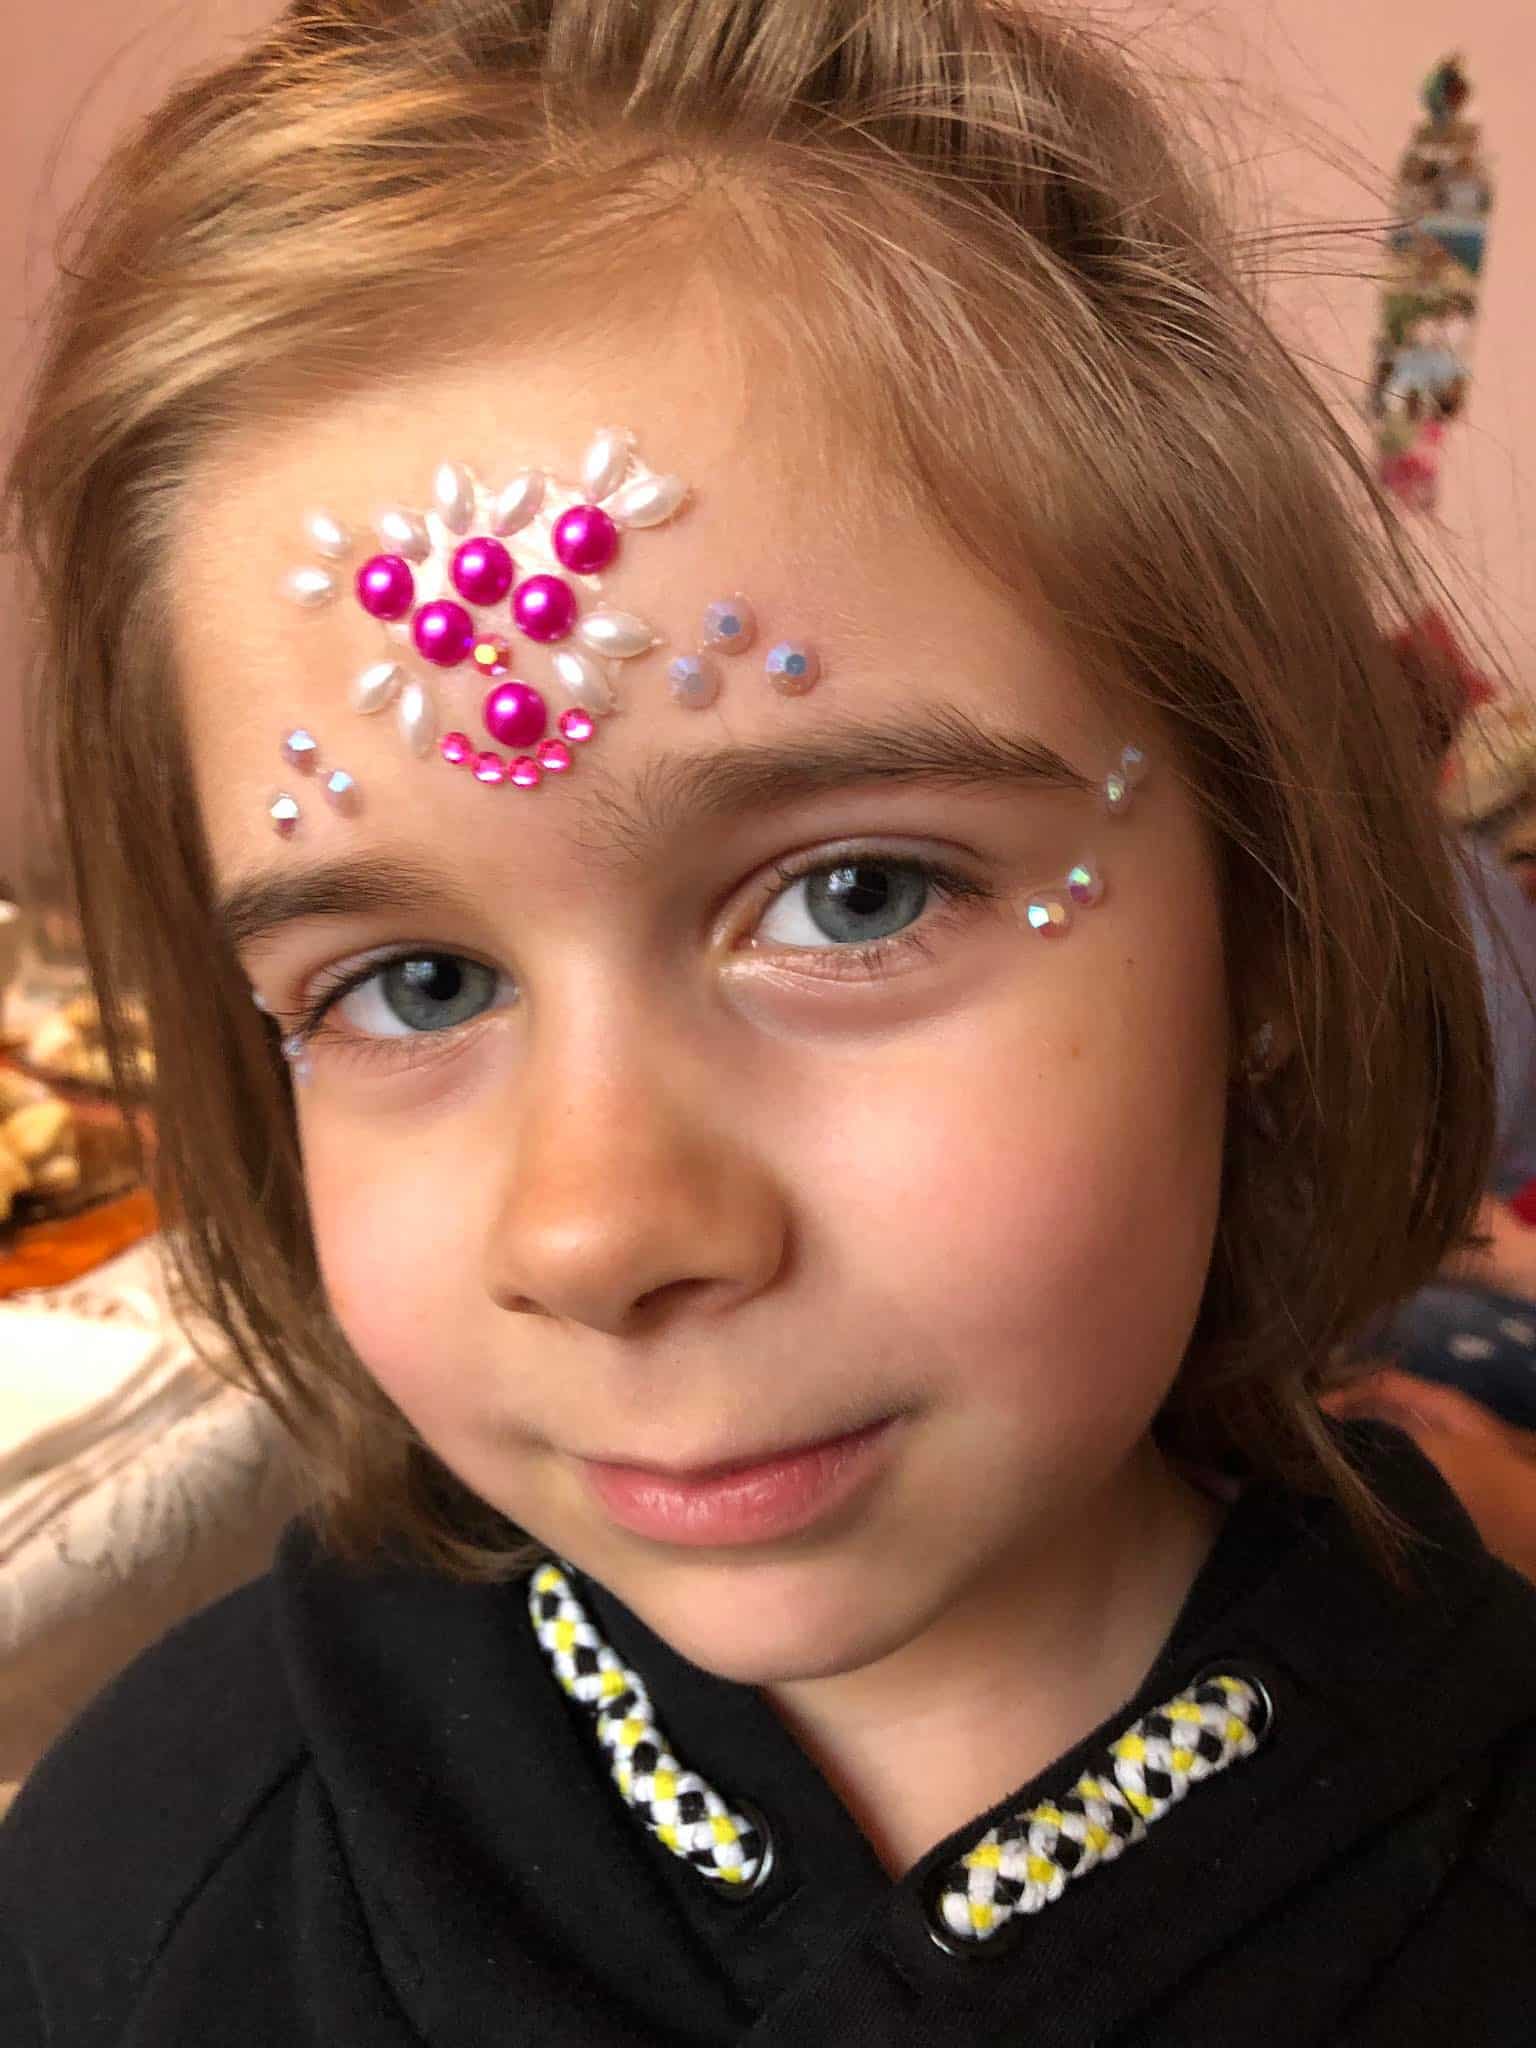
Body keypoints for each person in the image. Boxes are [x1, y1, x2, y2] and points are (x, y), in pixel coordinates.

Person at [3, 4, 1535, 2040]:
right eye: (413, 983)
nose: (597, 1229)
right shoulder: (149, 1880)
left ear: (1265, 919)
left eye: (857, 894)